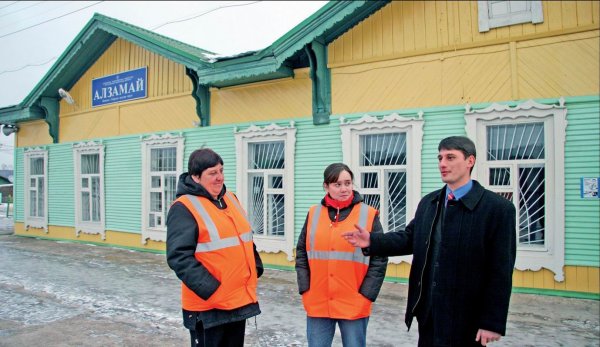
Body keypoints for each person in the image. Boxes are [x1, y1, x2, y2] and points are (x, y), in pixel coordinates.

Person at [343, 136, 517, 347]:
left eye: (450, 157)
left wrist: (492, 321)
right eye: (440, 158)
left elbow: (500, 270)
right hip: (429, 311)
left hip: (466, 318)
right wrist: (372, 240)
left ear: (470, 161)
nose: (443, 164)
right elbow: (409, 238)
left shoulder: (497, 210)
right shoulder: (430, 203)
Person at [166, 148, 263, 347]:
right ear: (195, 177)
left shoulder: (231, 199)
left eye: (221, 171)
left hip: (238, 300)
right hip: (208, 307)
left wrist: (256, 266)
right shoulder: (184, 207)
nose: (219, 177)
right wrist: (211, 288)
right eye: (212, 173)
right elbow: (178, 257)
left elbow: (244, 239)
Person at [295, 163, 388, 347]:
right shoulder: (314, 213)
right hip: (318, 300)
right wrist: (305, 287)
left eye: (347, 183)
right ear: (326, 186)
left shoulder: (368, 214)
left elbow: (380, 256)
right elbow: (301, 252)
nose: (344, 189)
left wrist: (367, 295)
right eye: (337, 184)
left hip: (354, 300)